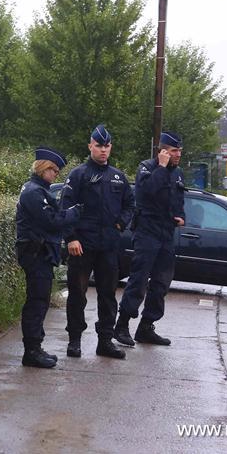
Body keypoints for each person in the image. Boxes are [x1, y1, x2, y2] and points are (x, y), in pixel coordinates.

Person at [60, 124, 133, 359]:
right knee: (77, 294)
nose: (103, 150)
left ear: (111, 148)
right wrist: (70, 237)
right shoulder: (78, 174)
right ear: (90, 145)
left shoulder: (118, 177)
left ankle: (105, 341)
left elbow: (129, 205)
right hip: (82, 245)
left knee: (108, 295)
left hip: (108, 246)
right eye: (99, 145)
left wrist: (121, 224)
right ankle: (75, 341)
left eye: (107, 146)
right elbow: (66, 207)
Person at [114, 131, 186, 347]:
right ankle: (122, 325)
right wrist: (162, 168)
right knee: (138, 280)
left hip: (166, 232)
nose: (178, 155)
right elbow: (146, 192)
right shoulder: (147, 167)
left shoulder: (178, 173)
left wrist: (181, 216)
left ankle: (146, 327)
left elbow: (179, 199)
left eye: (180, 151)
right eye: (174, 151)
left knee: (162, 282)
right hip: (147, 231)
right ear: (162, 151)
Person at [15, 147, 83, 368]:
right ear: (44, 168)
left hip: (40, 253)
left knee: (40, 299)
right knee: (37, 301)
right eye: (54, 170)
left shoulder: (38, 189)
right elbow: (51, 221)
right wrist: (75, 212)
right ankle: (31, 351)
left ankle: (36, 347)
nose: (56, 175)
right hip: (36, 253)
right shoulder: (34, 192)